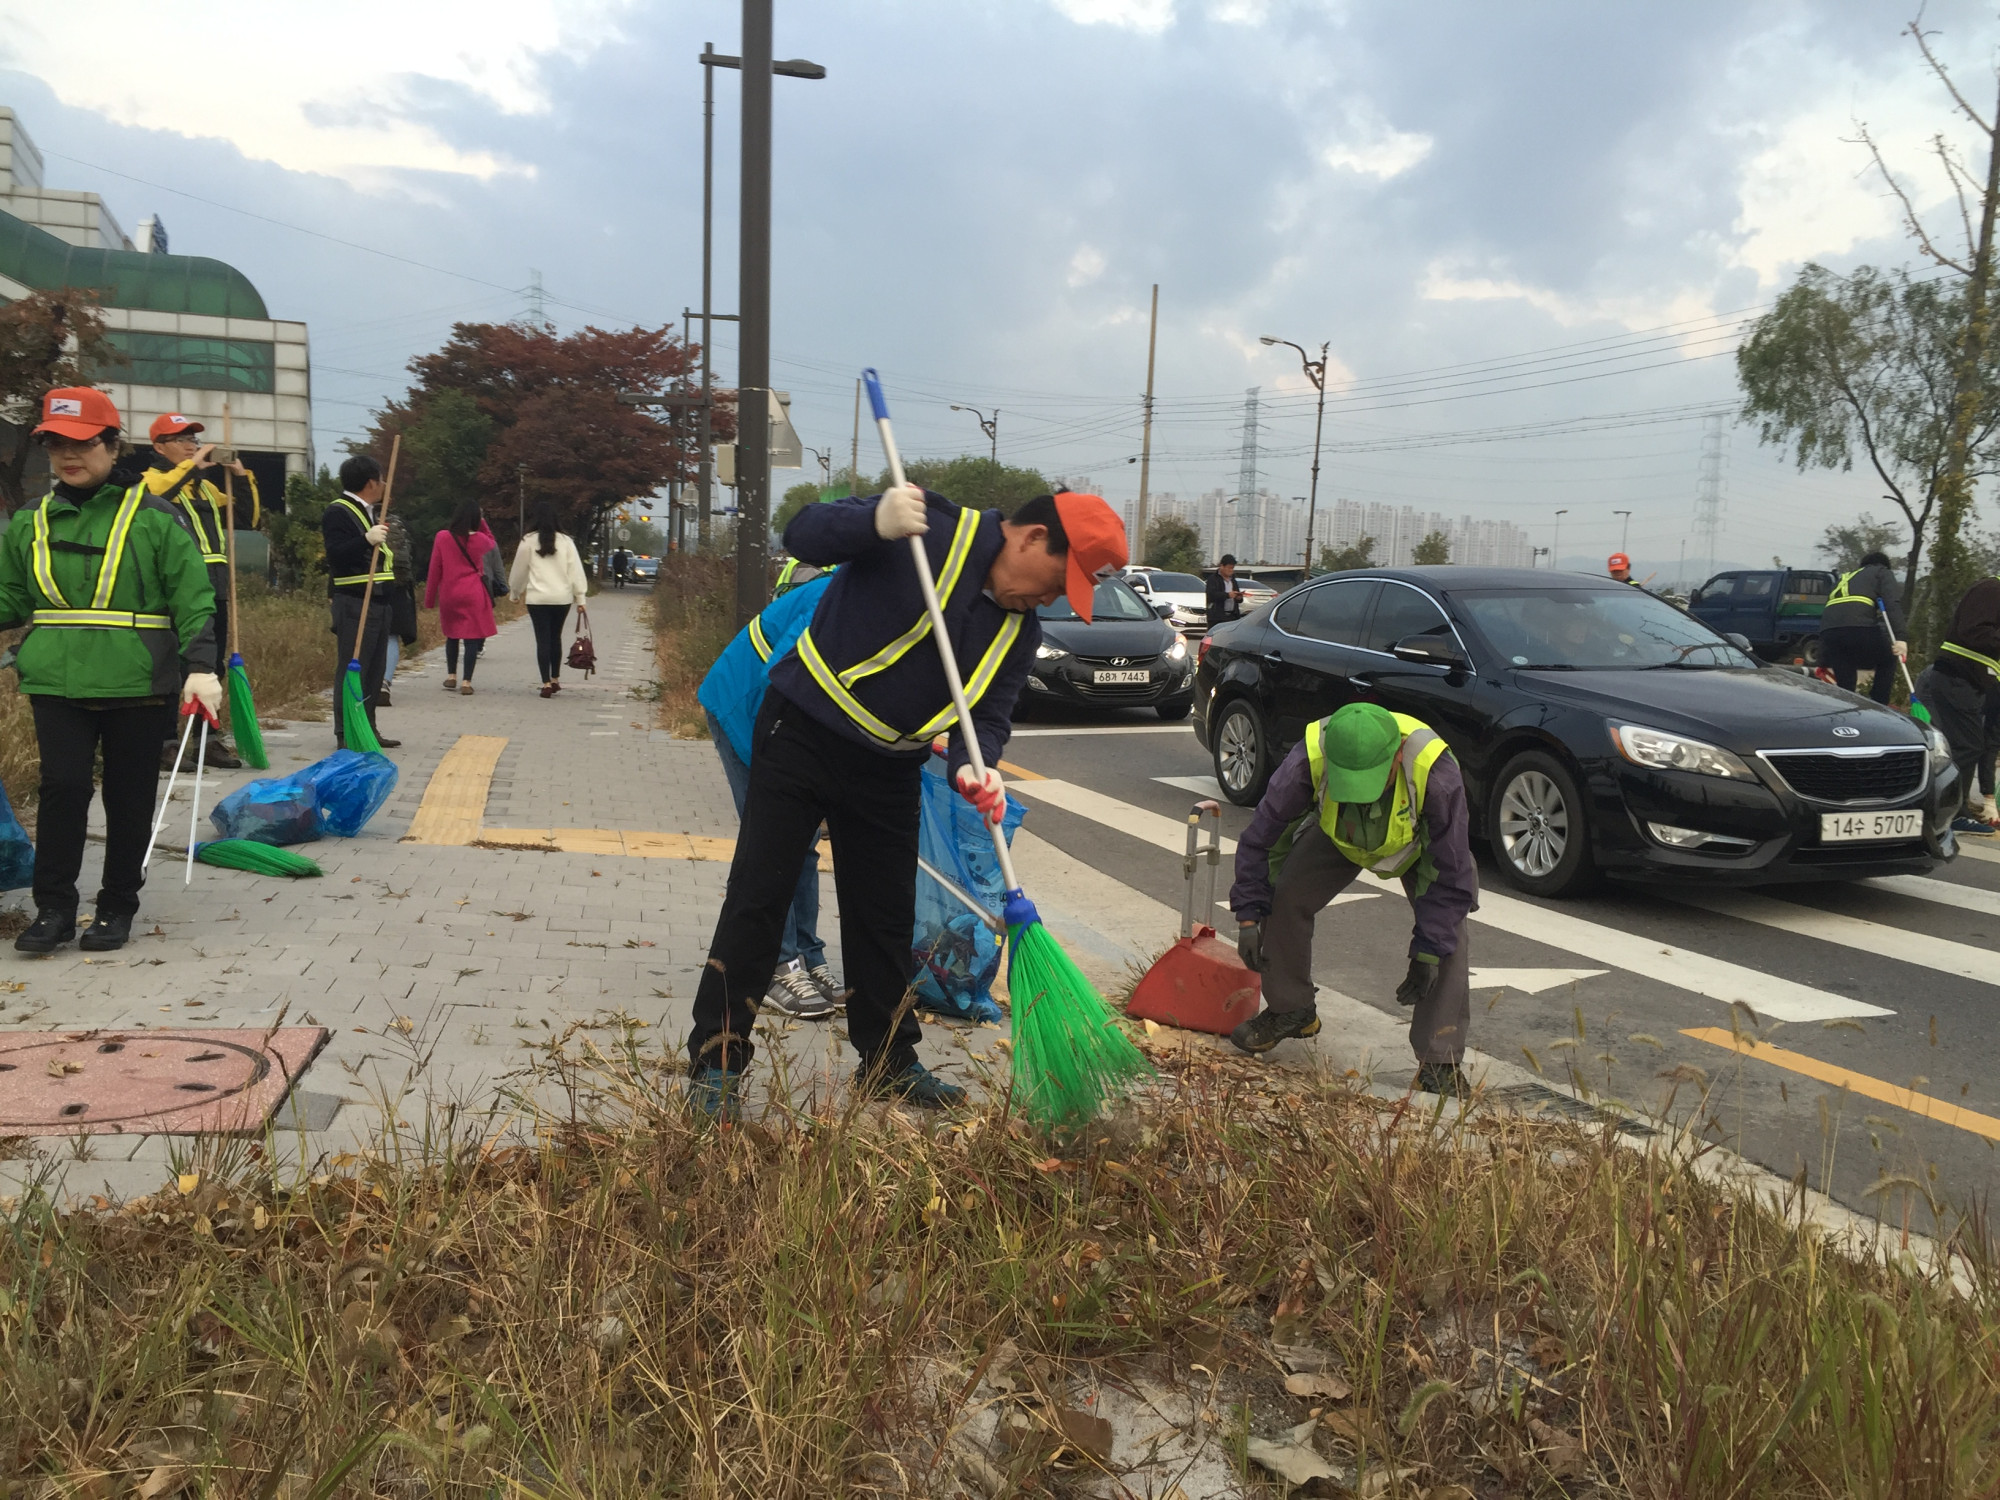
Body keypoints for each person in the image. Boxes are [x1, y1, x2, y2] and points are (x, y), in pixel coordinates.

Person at [685, 486, 1127, 1120]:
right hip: (803, 729)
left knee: (884, 921)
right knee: (761, 897)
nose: (1054, 598)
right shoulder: (928, 526)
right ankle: (717, 1064)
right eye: (1061, 580)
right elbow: (803, 532)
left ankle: (889, 1061)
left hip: (889, 764)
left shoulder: (1019, 630)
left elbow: (989, 716)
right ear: (1030, 538)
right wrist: (874, 522)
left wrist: (982, 768)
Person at [0, 389, 219, 953]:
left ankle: (117, 906)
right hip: (56, 679)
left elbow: (192, 596)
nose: (67, 455)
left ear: (111, 443)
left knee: (128, 798)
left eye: (80, 443)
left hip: (138, 682)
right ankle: (53, 908)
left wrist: (201, 666)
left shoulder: (154, 515)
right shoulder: (29, 520)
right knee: (63, 789)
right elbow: (8, 597)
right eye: (54, 443)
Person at [1227, 700, 1480, 1098]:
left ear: (1397, 757)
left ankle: (1439, 1062)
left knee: (1450, 934)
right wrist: (1247, 915)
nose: (1361, 796)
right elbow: (1263, 838)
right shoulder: (1307, 759)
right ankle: (1291, 1009)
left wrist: (1429, 950)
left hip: (1417, 848)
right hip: (1339, 837)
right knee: (1285, 894)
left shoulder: (1435, 773)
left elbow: (1449, 873)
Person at [696, 568, 842, 1020]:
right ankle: (780, 963)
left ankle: (809, 957)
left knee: (805, 845)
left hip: (785, 722)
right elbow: (788, 677)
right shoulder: (841, 599)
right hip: (745, 709)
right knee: (774, 842)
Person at [142, 412, 259, 769]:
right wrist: (192, 465)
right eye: (183, 440)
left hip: (215, 586)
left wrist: (241, 478)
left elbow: (249, 518)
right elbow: (158, 495)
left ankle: (206, 741)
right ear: (160, 447)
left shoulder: (208, 488)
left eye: (194, 440)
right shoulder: (151, 481)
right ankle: (165, 743)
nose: (192, 446)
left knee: (209, 667)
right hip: (172, 589)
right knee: (171, 668)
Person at [323, 454, 400, 750]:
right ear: (371, 482)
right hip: (355, 601)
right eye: (380, 479)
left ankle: (367, 728)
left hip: (379, 600)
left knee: (374, 669)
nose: (383, 485)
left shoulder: (370, 511)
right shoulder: (338, 512)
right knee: (352, 666)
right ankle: (345, 733)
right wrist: (366, 540)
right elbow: (336, 554)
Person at [1913, 576, 2000, 835]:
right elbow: (1973, 631)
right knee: (1967, 745)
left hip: (1967, 682)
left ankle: (1945, 807)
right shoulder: (1992, 589)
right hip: (1956, 678)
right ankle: (1945, 808)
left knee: (1963, 744)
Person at [508, 501, 590, 697]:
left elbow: (519, 570)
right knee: (556, 638)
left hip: (537, 599)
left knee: (542, 640)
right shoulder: (566, 542)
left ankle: (545, 683)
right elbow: (576, 571)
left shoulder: (528, 541)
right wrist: (581, 598)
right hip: (561, 599)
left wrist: (515, 592)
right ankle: (555, 678)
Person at [426, 500, 499, 695]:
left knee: (452, 634)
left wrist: (430, 598)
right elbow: (492, 540)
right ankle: (466, 682)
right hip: (473, 593)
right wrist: (482, 521)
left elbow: (435, 569)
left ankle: (451, 676)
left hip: (450, 593)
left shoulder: (442, 537)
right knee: (471, 639)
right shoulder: (481, 540)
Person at [1819, 551, 1906, 704]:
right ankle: (1879, 704)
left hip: (1829, 633)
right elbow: (1892, 604)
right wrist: (1901, 638)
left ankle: (1846, 706)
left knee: (1846, 681)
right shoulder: (1881, 571)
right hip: (1859, 628)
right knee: (1888, 658)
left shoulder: (1844, 577)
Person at [1207, 553, 1246, 626]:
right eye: (1229, 568)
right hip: (1217, 618)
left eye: (1232, 568)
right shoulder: (1213, 579)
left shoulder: (1233, 580)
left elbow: (1239, 600)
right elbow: (1211, 595)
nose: (1231, 570)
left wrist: (1238, 597)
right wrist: (1227, 595)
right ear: (1222, 566)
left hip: (1232, 616)